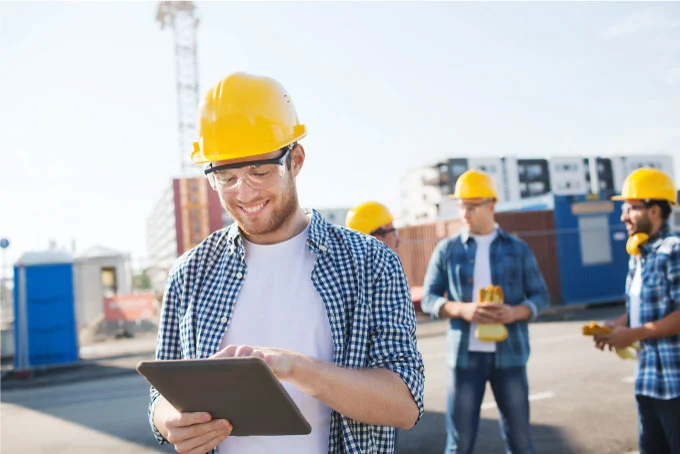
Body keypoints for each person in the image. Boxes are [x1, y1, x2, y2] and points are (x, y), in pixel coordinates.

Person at [147, 72, 424, 454]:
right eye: (225, 177)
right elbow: (161, 397)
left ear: (295, 159)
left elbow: (404, 405)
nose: (243, 193)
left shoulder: (370, 263)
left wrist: (296, 369)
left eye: (259, 171)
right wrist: (170, 422)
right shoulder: (190, 273)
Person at [420, 169, 549, 454]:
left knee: (520, 443)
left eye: (472, 205)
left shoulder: (518, 249)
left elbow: (541, 297)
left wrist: (515, 313)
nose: (464, 212)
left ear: (492, 205)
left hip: (510, 357)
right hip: (465, 359)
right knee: (459, 445)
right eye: (461, 204)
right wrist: (462, 309)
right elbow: (428, 299)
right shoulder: (447, 250)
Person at [594, 167, 680, 454]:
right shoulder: (639, 255)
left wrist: (632, 334)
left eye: (631, 208)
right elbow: (640, 311)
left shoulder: (675, 250)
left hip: (675, 384)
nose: (623, 217)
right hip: (648, 381)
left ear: (655, 210)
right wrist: (615, 327)